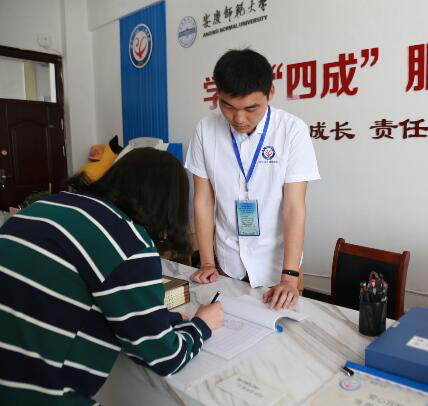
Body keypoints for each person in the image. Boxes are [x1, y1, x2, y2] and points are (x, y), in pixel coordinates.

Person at [0, 148, 223, 405]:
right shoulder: (127, 242)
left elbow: (75, 292)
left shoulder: (47, 205)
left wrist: (162, 320)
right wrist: (202, 325)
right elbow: (164, 358)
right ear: (169, 204)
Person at [185, 48, 320, 310]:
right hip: (226, 263)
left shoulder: (292, 131)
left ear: (271, 93)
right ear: (217, 95)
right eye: (228, 106)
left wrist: (289, 277)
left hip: (278, 268)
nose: (239, 119)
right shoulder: (205, 130)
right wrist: (207, 262)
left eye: (251, 108)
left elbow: (294, 207)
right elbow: (203, 200)